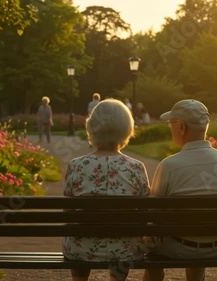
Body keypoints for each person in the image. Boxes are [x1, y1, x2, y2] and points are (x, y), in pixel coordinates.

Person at [144, 99, 217, 281]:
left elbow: (154, 215)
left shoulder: (169, 165)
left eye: (171, 123)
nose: (170, 128)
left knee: (152, 245)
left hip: (178, 247)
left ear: (182, 127)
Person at [62, 99, 150, 281]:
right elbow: (144, 213)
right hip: (126, 249)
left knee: (77, 237)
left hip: (81, 249)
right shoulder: (136, 167)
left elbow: (68, 212)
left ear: (92, 128)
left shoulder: (76, 166)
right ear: (127, 130)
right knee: (125, 243)